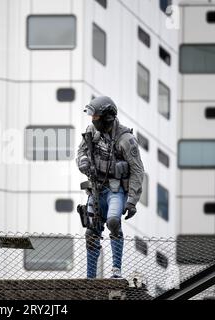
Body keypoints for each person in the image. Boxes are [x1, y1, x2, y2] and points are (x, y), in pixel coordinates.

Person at [76, 96, 144, 279]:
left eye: (96, 117)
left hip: (115, 190)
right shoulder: (92, 132)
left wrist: (131, 201)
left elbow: (138, 171)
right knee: (91, 232)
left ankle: (116, 270)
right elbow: (80, 152)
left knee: (114, 222)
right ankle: (90, 277)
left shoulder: (126, 140)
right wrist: (84, 163)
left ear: (107, 117)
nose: (92, 120)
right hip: (96, 190)